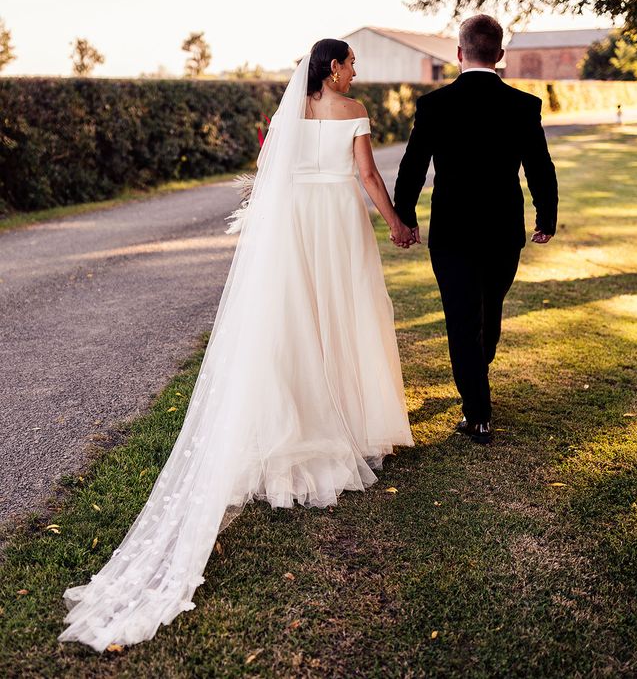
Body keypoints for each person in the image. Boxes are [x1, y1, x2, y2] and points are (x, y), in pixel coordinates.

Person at [57, 39, 415, 652]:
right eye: (352, 63)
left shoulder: (286, 117)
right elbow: (366, 174)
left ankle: (312, 415)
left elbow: (272, 178)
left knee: (299, 320)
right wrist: (396, 223)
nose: (356, 72)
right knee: (344, 315)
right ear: (334, 69)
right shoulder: (352, 112)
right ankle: (348, 422)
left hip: (298, 222)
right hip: (337, 218)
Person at [393, 14, 558, 444]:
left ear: (460, 53)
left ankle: (477, 410)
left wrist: (405, 217)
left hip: (452, 232)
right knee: (488, 309)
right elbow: (541, 168)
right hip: (504, 232)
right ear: (500, 55)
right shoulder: (523, 106)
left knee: (463, 319)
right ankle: (478, 402)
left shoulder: (435, 105)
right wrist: (546, 216)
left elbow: (413, 167)